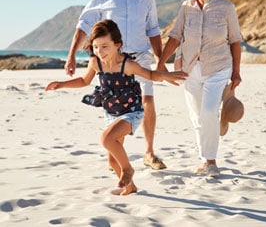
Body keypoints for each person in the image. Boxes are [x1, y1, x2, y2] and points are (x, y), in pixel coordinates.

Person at [46, 20, 187, 195]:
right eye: (96, 47)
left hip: (131, 112)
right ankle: (131, 187)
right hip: (111, 113)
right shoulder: (95, 63)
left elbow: (150, 74)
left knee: (106, 139)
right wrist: (61, 84)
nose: (100, 51)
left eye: (105, 46)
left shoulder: (126, 64)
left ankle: (128, 170)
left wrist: (166, 75)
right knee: (113, 161)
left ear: (117, 44)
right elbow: (84, 81)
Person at [64, 0, 166, 170]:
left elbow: (153, 30)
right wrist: (71, 55)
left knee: (148, 101)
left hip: (139, 58)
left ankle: (149, 152)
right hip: (112, 63)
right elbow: (84, 25)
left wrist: (161, 60)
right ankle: (116, 150)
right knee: (115, 106)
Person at [157, 0, 242, 178]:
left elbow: (235, 42)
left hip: (218, 67)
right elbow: (175, 36)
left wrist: (236, 72)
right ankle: (205, 159)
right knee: (197, 117)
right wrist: (161, 63)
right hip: (190, 68)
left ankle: (212, 162)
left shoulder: (226, 7)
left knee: (208, 112)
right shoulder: (187, 7)